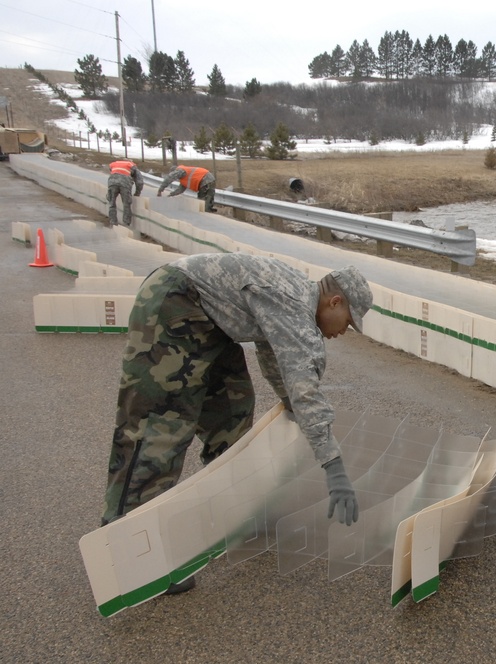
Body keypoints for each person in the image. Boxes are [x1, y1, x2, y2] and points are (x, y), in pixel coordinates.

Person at [102, 253, 373, 593]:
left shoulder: (294, 299)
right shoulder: (293, 309)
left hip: (208, 319)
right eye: (348, 322)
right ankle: (132, 550)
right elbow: (304, 387)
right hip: (174, 301)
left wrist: (291, 404)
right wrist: (333, 467)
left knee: (232, 405)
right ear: (335, 301)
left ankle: (230, 511)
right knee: (161, 425)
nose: (343, 332)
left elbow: (276, 360)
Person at [106, 159, 143, 227]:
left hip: (112, 182)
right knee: (126, 204)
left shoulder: (113, 164)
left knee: (111, 203)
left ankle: (113, 223)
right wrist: (137, 193)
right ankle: (126, 224)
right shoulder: (132, 165)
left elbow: (113, 172)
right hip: (125, 183)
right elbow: (139, 182)